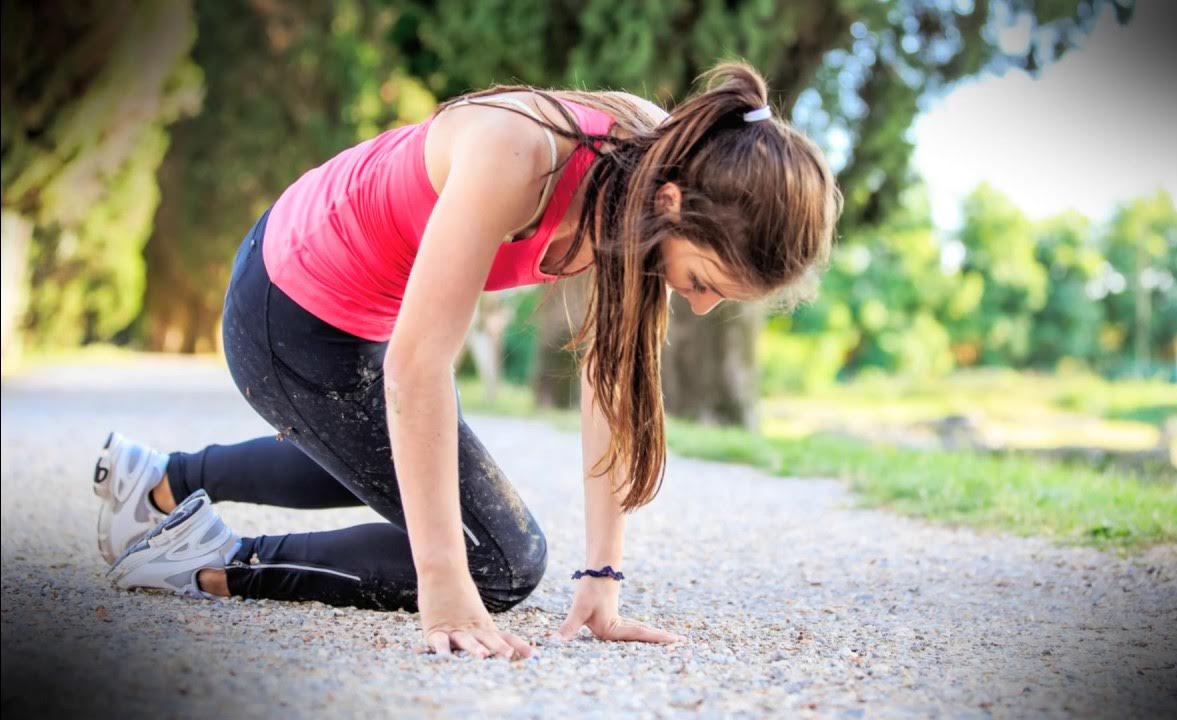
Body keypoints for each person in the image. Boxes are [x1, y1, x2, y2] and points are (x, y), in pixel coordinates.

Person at [94, 61, 841, 661]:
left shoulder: (654, 180)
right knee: (500, 561)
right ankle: (206, 561)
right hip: (289, 307)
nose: (702, 306)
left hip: (345, 301)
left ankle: (160, 483)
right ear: (676, 202)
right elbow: (417, 369)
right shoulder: (522, 154)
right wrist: (443, 585)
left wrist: (602, 581)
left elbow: (611, 381)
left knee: (392, 464)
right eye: (706, 282)